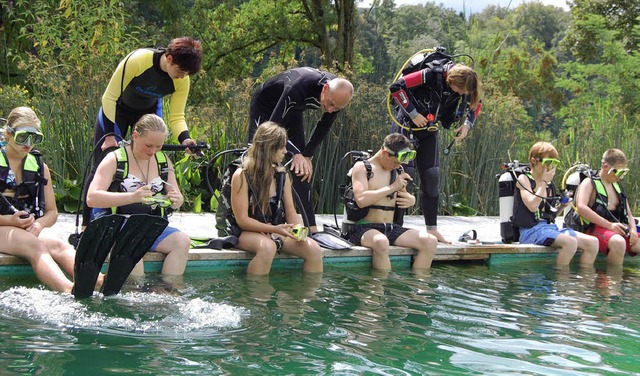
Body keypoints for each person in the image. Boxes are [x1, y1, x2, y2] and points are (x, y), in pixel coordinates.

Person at [83, 36, 203, 228]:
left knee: (149, 157)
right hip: (117, 110)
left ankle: (142, 217)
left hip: (147, 113)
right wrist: (110, 135)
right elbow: (109, 97)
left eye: (186, 74)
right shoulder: (139, 60)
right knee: (101, 163)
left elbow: (177, 116)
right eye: (180, 71)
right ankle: (87, 226)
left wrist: (186, 139)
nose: (182, 77)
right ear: (169, 58)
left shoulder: (182, 79)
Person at [247, 67, 353, 233]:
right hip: (265, 107)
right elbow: (273, 128)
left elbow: (323, 126)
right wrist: (295, 153)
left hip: (294, 109)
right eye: (330, 104)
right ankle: (250, 219)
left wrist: (306, 154)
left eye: (336, 108)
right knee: (259, 159)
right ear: (325, 89)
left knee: (302, 168)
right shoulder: (300, 86)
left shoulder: (337, 96)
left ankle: (312, 227)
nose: (330, 110)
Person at [390, 60, 482, 243]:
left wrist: (467, 125)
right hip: (406, 126)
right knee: (404, 176)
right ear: (452, 81)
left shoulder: (467, 84)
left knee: (432, 177)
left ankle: (432, 229)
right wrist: (413, 113)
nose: (461, 95)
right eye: (460, 91)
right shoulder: (431, 74)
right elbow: (396, 87)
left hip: (429, 131)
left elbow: (477, 103)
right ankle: (395, 228)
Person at [86, 114, 190, 276]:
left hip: (148, 225)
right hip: (116, 224)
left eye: (158, 146)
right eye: (149, 145)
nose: (153, 151)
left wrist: (176, 199)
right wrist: (132, 197)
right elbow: (92, 198)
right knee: (131, 248)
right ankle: (136, 293)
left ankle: (168, 290)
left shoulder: (163, 161)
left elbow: (177, 198)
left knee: (182, 242)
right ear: (135, 136)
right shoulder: (114, 160)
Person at [0, 107, 79, 293]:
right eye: (22, 137)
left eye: (34, 138)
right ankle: (69, 290)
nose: (28, 145)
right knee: (33, 245)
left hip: (25, 228)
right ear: (9, 134)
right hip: (3, 226)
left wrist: (39, 224)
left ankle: (98, 281)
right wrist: (9, 221)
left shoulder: (38, 166)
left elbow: (52, 212)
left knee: (59, 244)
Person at [232, 121, 323, 275]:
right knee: (268, 248)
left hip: (274, 230)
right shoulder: (241, 175)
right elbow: (242, 220)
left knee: (313, 249)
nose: (285, 151)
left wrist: (299, 230)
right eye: (281, 147)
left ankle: (306, 297)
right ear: (268, 148)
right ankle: (254, 296)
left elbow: (291, 212)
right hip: (244, 232)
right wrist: (273, 229)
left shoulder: (282, 176)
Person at [346, 133, 437, 270]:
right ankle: (380, 288)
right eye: (395, 162)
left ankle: (420, 288)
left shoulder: (397, 170)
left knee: (430, 241)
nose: (397, 166)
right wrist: (392, 187)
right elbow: (361, 200)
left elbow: (403, 195)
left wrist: (411, 200)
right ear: (384, 153)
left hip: (390, 227)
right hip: (363, 228)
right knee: (382, 243)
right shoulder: (363, 167)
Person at [513, 142, 598, 266]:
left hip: (547, 228)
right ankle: (561, 282)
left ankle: (584, 282)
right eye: (547, 162)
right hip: (529, 231)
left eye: (554, 163)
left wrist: (562, 206)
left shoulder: (548, 184)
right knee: (570, 242)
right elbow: (532, 206)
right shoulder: (524, 180)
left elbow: (548, 215)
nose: (550, 167)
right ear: (534, 160)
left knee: (593, 243)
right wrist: (543, 183)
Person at [575, 149, 639, 265]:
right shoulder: (589, 183)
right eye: (618, 172)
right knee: (619, 242)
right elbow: (581, 207)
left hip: (617, 229)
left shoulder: (618, 186)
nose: (620, 177)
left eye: (623, 173)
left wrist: (633, 230)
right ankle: (614, 279)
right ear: (605, 167)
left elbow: (628, 213)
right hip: (595, 228)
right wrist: (609, 225)